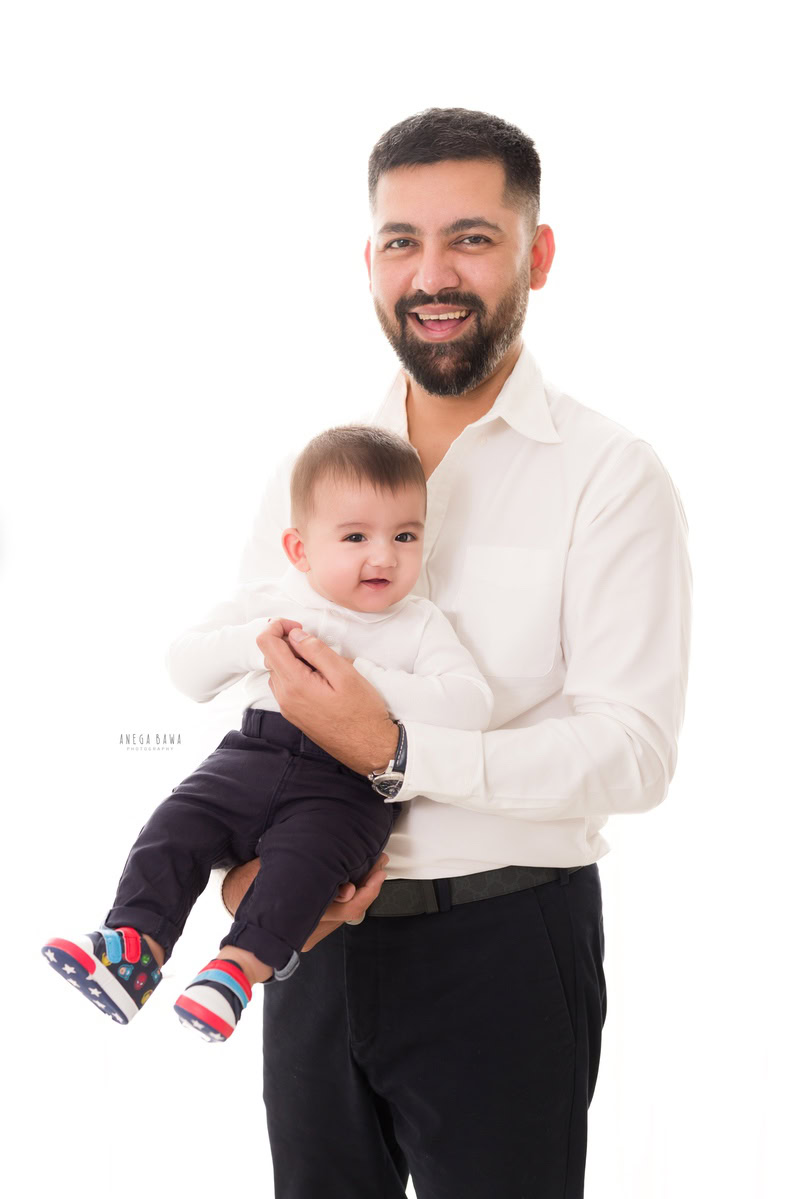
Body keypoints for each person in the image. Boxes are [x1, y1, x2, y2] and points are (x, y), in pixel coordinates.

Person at [221, 108, 692, 1198]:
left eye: (470, 238)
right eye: (401, 241)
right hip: (311, 939)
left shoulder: (608, 474)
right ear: (370, 261)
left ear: (536, 254)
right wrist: (248, 867)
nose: (431, 273)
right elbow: (265, 671)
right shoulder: (314, 461)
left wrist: (394, 752)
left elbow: (632, 752)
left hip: (502, 944)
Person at [40, 424, 493, 1042]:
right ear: (300, 549)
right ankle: (134, 946)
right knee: (176, 825)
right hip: (251, 755)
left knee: (302, 866)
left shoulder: (419, 624)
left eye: (405, 535)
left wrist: (356, 678)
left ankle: (235, 971)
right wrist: (255, 645)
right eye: (356, 536)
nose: (384, 556)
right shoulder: (269, 601)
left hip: (347, 784)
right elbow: (186, 669)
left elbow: (470, 706)